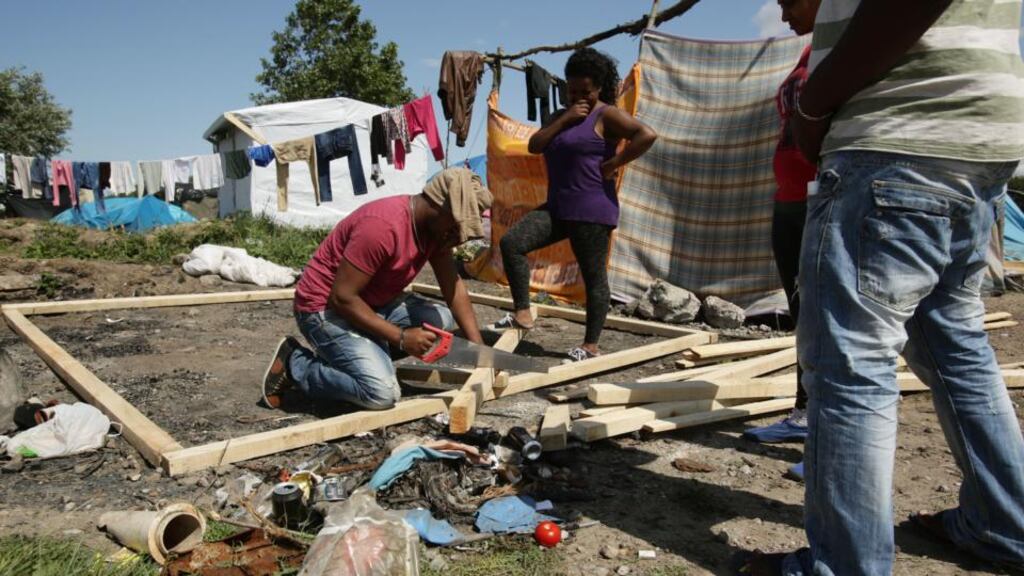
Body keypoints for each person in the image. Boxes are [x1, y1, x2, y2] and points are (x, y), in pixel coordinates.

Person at [744, 0, 1024, 574]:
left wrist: (814, 105)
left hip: (897, 138)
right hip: (975, 141)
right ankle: (1004, 523)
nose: (778, 4)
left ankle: (845, 565)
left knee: (851, 366)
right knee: (954, 346)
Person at [261, 168, 492, 411]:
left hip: (369, 303)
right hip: (325, 309)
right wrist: (400, 338)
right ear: (438, 207)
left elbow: (452, 287)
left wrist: (479, 350)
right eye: (456, 229)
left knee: (440, 320)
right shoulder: (382, 227)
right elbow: (342, 298)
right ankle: (295, 364)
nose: (457, 239)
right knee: (381, 393)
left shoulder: (436, 231)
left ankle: (365, 355)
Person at [495, 47, 657, 361]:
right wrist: (566, 118)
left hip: (592, 210)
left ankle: (590, 346)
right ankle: (523, 313)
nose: (579, 97)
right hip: (558, 206)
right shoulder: (562, 116)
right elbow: (535, 144)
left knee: (593, 275)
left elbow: (646, 135)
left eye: (586, 91)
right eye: (572, 91)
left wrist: (616, 163)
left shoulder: (606, 114)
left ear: (599, 89)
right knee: (512, 243)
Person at [741, 0, 821, 482]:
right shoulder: (808, 51)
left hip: (824, 197)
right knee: (801, 314)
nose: (785, 13)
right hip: (790, 199)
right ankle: (803, 415)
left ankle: (830, 443)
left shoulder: (848, 44)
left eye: (791, 1)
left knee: (829, 321)